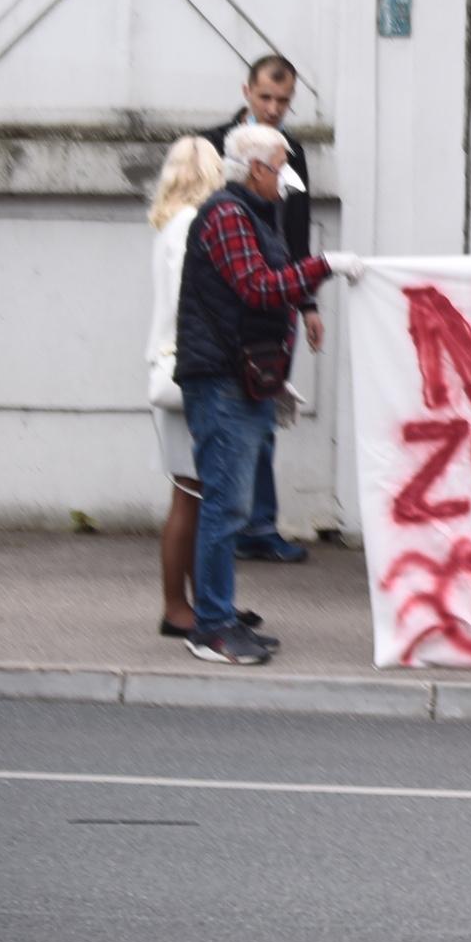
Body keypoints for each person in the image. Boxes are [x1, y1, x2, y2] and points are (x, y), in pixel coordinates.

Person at [176, 124, 359, 666]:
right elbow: (257, 285)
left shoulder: (249, 213)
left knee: (229, 505)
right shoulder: (228, 215)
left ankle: (221, 615)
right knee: (226, 506)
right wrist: (325, 265)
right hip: (223, 379)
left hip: (246, 377)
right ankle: (210, 627)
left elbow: (271, 281)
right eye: (281, 165)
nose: (287, 177)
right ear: (255, 167)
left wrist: (305, 294)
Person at [146, 135, 273, 648]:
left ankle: (203, 604)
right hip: (187, 369)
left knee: (198, 494)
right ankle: (182, 608)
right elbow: (194, 299)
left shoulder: (171, 224)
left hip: (178, 364)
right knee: (193, 494)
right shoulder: (190, 226)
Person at [202, 55, 313, 564]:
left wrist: (306, 302)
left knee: (265, 409)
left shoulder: (293, 153)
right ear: (246, 90)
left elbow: (297, 233)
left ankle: (259, 524)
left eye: (283, 100)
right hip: (227, 302)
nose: (273, 108)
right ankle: (242, 523)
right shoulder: (211, 145)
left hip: (277, 297)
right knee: (237, 411)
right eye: (266, 97)